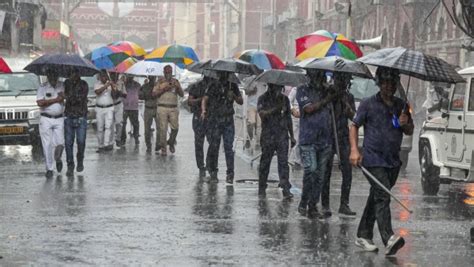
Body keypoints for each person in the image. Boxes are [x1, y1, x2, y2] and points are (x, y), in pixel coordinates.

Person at [350, 67, 414, 256]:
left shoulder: (401, 105)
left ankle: (363, 234)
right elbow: (353, 126)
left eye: (392, 82)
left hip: (392, 161)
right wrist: (354, 150)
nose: (389, 86)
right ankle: (389, 238)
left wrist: (406, 123)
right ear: (378, 83)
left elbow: (410, 130)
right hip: (372, 159)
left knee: (377, 196)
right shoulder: (368, 104)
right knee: (383, 195)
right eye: (385, 82)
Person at [296, 69, 337, 219]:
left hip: (324, 140)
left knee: (320, 175)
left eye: (320, 75)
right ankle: (304, 202)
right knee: (311, 171)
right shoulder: (302, 90)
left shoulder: (327, 91)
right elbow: (309, 109)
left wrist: (333, 93)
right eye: (314, 75)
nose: (318, 78)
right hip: (308, 139)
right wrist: (327, 99)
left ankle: (312, 205)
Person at [321, 72, 357, 217]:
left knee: (347, 172)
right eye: (339, 80)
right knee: (326, 172)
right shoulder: (327, 94)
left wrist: (345, 103)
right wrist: (332, 99)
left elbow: (353, 116)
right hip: (328, 136)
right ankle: (325, 204)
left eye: (345, 81)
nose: (342, 84)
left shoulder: (349, 97)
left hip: (342, 137)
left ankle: (344, 204)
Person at [201, 71, 243, 183]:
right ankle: (213, 172)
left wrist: (233, 95)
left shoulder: (232, 85)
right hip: (215, 119)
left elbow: (241, 101)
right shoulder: (213, 85)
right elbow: (205, 98)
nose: (223, 76)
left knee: (228, 147)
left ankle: (230, 173)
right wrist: (204, 111)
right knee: (214, 146)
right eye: (222, 74)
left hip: (228, 120)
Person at [257, 83, 296, 198]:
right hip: (268, 135)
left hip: (282, 134)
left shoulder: (285, 100)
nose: (278, 90)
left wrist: (292, 135)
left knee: (283, 163)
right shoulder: (263, 98)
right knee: (265, 162)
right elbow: (262, 114)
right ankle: (262, 186)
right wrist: (275, 109)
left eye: (280, 87)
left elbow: (288, 118)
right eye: (276, 87)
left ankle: (285, 188)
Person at [36, 69, 65, 178]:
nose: (53, 77)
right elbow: (40, 103)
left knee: (60, 143)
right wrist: (56, 99)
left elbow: (65, 98)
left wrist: (64, 97)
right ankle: (49, 168)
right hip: (46, 118)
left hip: (59, 118)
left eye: (54, 75)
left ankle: (58, 158)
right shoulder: (42, 87)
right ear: (48, 76)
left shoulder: (62, 86)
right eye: (50, 75)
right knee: (47, 144)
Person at [64, 68, 89, 176]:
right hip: (69, 116)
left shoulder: (84, 84)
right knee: (68, 143)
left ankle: (80, 160)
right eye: (71, 73)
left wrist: (67, 96)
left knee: (81, 141)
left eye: (74, 73)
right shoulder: (66, 84)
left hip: (81, 116)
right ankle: (70, 165)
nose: (73, 75)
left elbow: (80, 98)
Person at [154, 65, 184, 155]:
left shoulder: (176, 81)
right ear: (164, 72)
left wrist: (178, 87)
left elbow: (182, 94)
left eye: (170, 72)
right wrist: (164, 89)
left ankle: (171, 142)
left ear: (172, 73)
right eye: (166, 72)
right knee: (163, 129)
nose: (168, 74)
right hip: (162, 107)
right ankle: (164, 148)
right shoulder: (159, 82)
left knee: (175, 128)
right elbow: (154, 94)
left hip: (173, 107)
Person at [188, 76, 213, 178]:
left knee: (213, 142)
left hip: (212, 118)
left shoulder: (215, 86)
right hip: (198, 117)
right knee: (199, 142)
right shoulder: (196, 86)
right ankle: (201, 166)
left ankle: (209, 162)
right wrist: (200, 100)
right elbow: (189, 102)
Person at [94, 71, 115, 152]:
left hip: (109, 108)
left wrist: (112, 86)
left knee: (108, 126)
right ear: (100, 76)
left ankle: (107, 144)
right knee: (100, 127)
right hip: (99, 108)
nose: (103, 78)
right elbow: (97, 92)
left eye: (105, 76)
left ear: (106, 76)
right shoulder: (97, 83)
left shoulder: (110, 83)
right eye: (102, 76)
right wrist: (106, 86)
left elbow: (115, 95)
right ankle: (100, 145)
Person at [139, 75, 159, 153]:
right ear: (148, 77)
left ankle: (158, 145)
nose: (152, 78)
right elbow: (140, 96)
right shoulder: (144, 86)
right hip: (148, 108)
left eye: (153, 77)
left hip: (157, 108)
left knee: (159, 128)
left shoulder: (158, 85)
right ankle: (148, 146)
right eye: (151, 77)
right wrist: (146, 94)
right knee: (147, 130)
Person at [245, 80, 265, 149]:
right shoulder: (250, 79)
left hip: (261, 106)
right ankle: (248, 138)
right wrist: (251, 90)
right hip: (251, 105)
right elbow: (246, 91)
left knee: (259, 125)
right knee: (251, 123)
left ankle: (258, 143)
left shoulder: (264, 79)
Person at [121, 75, 141, 146]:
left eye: (131, 76)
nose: (130, 77)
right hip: (124, 107)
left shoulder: (137, 85)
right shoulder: (123, 84)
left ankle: (136, 137)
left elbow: (140, 93)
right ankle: (123, 139)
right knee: (123, 124)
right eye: (128, 76)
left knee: (135, 124)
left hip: (134, 107)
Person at [110, 73, 127, 147]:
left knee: (119, 122)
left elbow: (125, 95)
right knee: (109, 124)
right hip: (110, 105)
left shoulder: (121, 83)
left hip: (119, 104)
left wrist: (118, 91)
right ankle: (109, 141)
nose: (114, 76)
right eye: (112, 74)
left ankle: (118, 139)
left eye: (115, 74)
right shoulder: (108, 83)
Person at [288, 86, 302, 168]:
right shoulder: (295, 89)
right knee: (295, 139)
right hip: (296, 117)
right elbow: (288, 101)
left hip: (305, 117)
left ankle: (298, 160)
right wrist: (293, 110)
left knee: (301, 141)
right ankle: (295, 160)